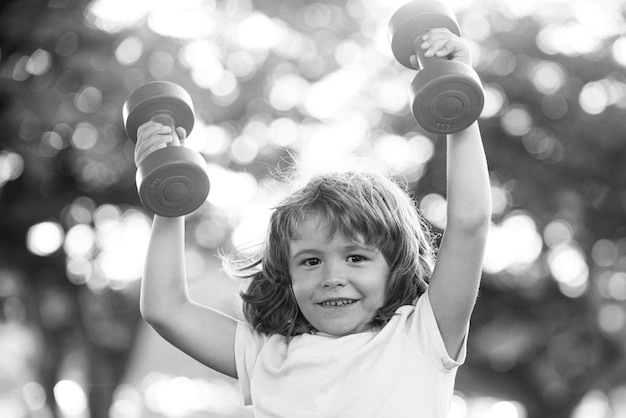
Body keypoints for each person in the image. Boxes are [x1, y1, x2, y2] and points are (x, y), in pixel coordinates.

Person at [135, 27, 491, 418]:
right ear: (286, 276)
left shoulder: (423, 334)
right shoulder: (269, 356)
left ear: (395, 267)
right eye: (310, 260)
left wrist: (455, 97)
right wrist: (168, 198)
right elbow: (166, 309)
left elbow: (469, 222)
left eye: (355, 257)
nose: (331, 276)